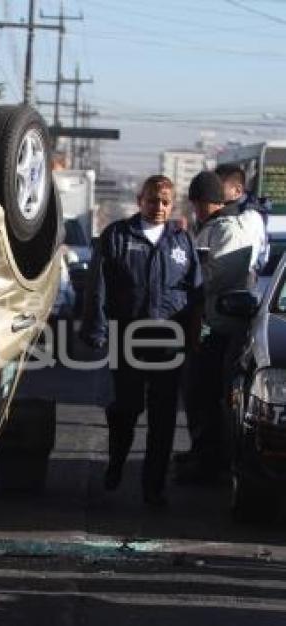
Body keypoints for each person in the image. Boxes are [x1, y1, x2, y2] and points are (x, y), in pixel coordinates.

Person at [81, 175, 202, 508]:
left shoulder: (182, 241)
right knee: (127, 408)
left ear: (172, 203)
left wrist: (195, 335)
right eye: (152, 201)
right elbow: (98, 285)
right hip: (128, 338)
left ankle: (154, 487)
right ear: (140, 200)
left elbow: (196, 292)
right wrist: (96, 329)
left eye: (165, 202)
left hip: (168, 342)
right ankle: (117, 459)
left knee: (163, 419)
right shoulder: (118, 235)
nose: (159, 208)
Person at [176, 170, 258, 483]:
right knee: (197, 395)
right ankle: (201, 451)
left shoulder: (228, 230)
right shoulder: (212, 227)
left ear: (205, 203)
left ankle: (210, 461)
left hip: (221, 329)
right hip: (207, 325)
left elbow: (213, 276)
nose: (195, 210)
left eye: (197, 204)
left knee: (208, 396)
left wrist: (183, 277)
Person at [215, 163, 268, 274]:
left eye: (219, 188)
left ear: (237, 191)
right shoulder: (226, 212)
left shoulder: (249, 218)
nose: (214, 193)